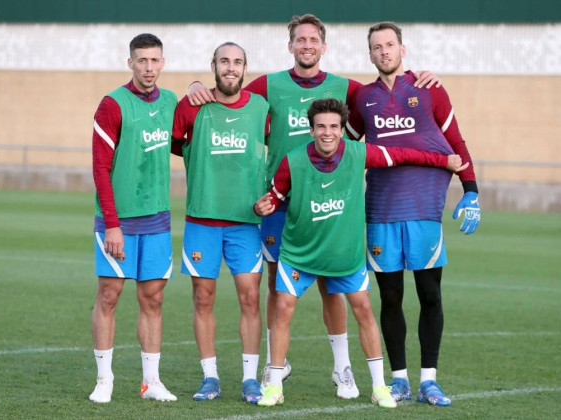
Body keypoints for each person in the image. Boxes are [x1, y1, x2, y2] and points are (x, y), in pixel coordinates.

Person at [187, 14, 441, 399]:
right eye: (300, 39)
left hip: (329, 204)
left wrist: (418, 79)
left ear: (324, 46)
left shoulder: (347, 88)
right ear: (290, 46)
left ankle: (342, 369)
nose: (307, 45)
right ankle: (277, 366)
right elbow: (229, 90)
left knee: (331, 288)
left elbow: (384, 94)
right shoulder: (268, 85)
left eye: (313, 39)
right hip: (280, 204)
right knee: (277, 287)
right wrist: (195, 87)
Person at [253, 98, 469, 408]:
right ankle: (274, 385)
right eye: (321, 127)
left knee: (364, 310)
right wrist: (264, 205)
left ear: (342, 130)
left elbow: (403, 154)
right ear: (311, 129)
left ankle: (380, 387)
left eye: (334, 127)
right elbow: (274, 195)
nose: (327, 132)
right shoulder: (293, 160)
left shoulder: (359, 153)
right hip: (299, 252)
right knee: (283, 308)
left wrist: (443, 160)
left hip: (344, 253)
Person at [348, 21, 482, 406]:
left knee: (430, 295)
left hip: (424, 211)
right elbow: (344, 145)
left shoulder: (428, 89)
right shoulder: (363, 98)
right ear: (370, 54)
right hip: (381, 212)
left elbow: (456, 140)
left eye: (390, 45)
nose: (384, 52)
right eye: (377, 47)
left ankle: (429, 381)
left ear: (402, 50)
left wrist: (471, 190)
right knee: (390, 298)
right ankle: (400, 380)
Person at [171, 42, 269, 404]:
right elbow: (174, 144)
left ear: (245, 68)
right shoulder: (191, 107)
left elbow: (278, 154)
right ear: (213, 65)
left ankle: (249, 379)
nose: (231, 67)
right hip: (201, 220)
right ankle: (209, 377)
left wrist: (271, 194)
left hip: (245, 222)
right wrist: (192, 86)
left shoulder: (261, 108)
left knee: (250, 297)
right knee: (203, 298)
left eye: (238, 62)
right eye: (224, 61)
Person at [89, 33, 177, 403]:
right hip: (119, 221)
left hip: (157, 219)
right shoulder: (112, 104)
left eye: (155, 60)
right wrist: (112, 223)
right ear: (130, 63)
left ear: (162, 62)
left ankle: (150, 382)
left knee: (152, 299)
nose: (149, 67)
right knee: (110, 295)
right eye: (141, 60)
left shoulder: (172, 102)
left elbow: (188, 140)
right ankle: (104, 379)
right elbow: (100, 167)